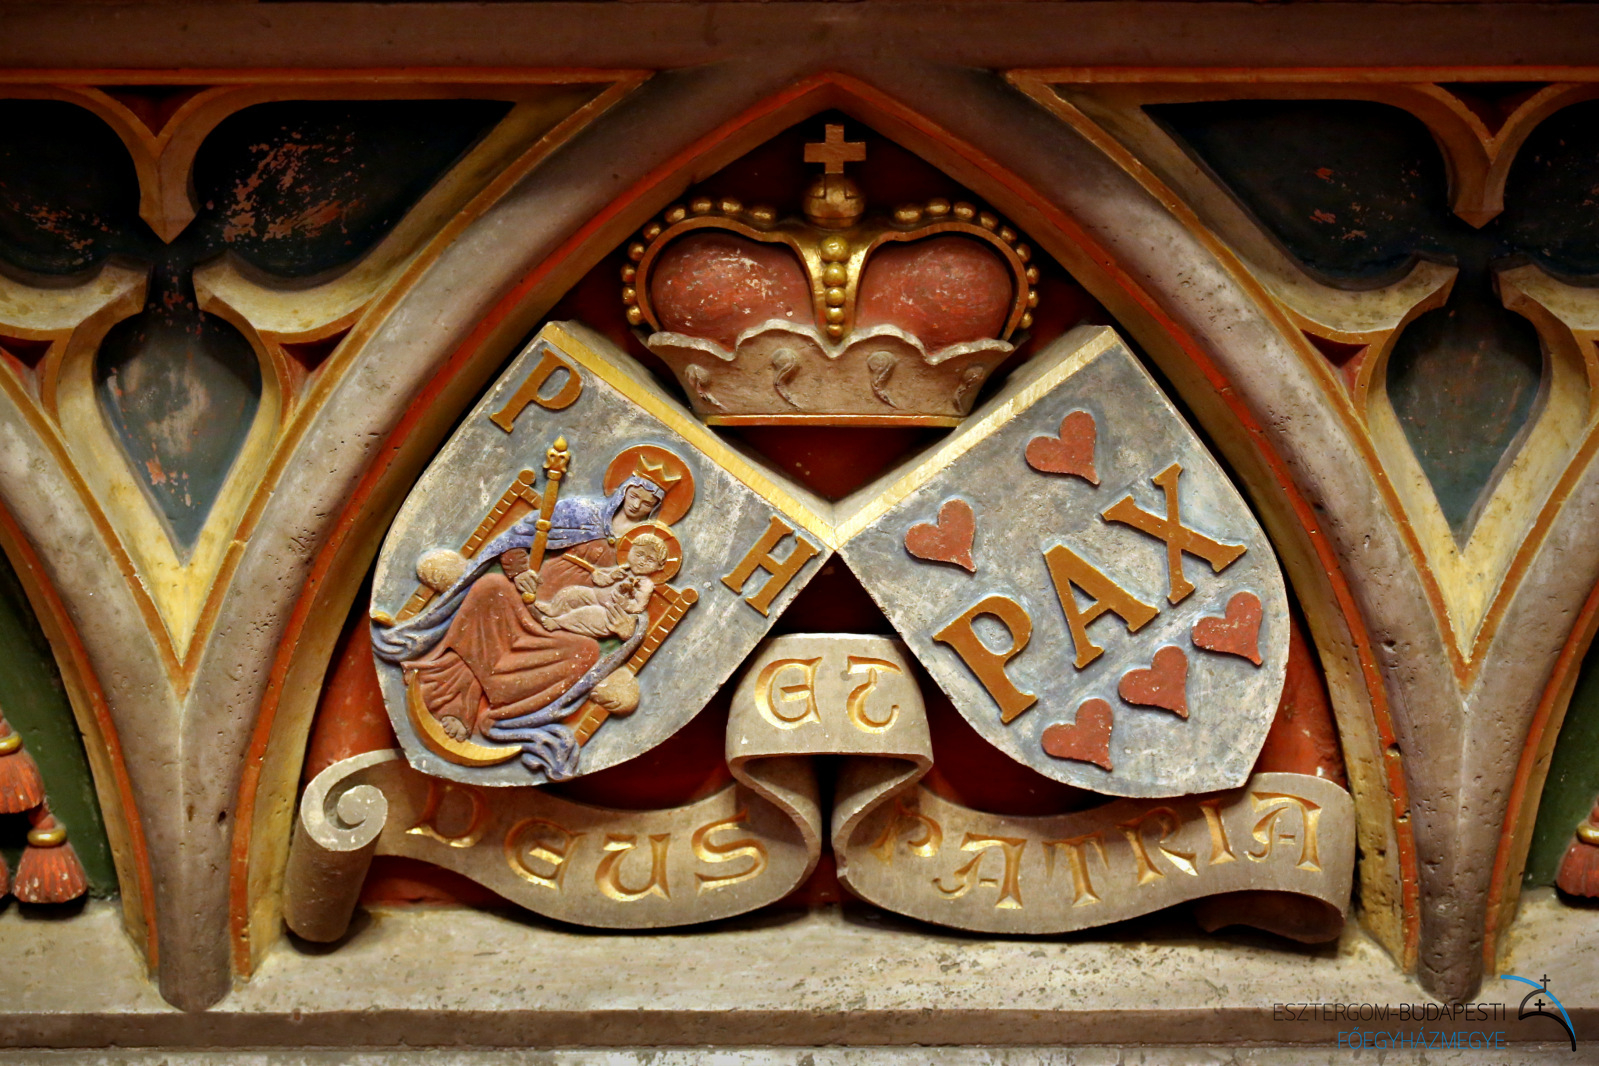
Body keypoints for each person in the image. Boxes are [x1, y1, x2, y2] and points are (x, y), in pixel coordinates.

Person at [374, 470, 670, 744]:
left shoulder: (643, 548)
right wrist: (518, 571)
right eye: (634, 496)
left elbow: (637, 608)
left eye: (646, 503)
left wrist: (628, 629)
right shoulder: (580, 512)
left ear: (654, 508)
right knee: (491, 587)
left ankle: (487, 705)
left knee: (587, 652)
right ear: (623, 491)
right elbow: (516, 538)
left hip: (564, 626)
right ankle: (451, 688)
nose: (636, 505)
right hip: (526, 599)